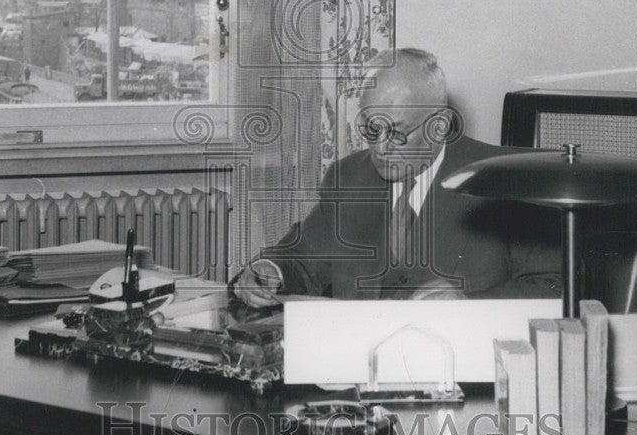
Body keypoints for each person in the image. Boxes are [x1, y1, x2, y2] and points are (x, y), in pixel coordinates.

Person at [233, 48, 562, 307]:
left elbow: (557, 285)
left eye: (397, 133)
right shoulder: (349, 178)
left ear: (440, 126)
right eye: (371, 129)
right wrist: (269, 272)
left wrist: (471, 307)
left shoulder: (505, 181)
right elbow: (302, 257)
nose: (379, 148)